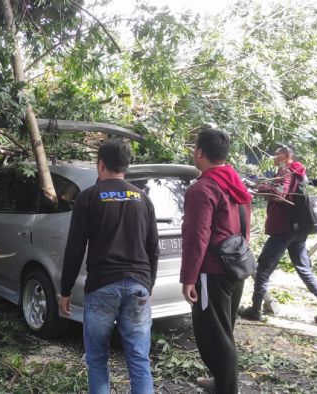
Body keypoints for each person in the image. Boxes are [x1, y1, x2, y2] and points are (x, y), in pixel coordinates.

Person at [59, 139, 159, 394]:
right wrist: (148, 285)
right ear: (126, 165)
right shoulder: (144, 199)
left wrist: (66, 290)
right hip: (138, 287)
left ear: (100, 164)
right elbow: (153, 249)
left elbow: (75, 247)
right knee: (138, 359)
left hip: (102, 286)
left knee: (97, 359)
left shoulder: (88, 198)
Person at [180, 128, 252, 394]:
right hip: (236, 266)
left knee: (214, 337)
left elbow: (197, 237)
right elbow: (245, 228)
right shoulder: (234, 182)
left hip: (212, 272)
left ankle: (227, 389)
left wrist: (189, 278)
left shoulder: (203, 188)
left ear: (200, 152)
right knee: (225, 330)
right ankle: (221, 381)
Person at [239, 146, 317, 323]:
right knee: (304, 268)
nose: (274, 156)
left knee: (263, 266)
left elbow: (279, 193)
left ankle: (255, 308)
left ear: (286, 156)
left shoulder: (287, 171)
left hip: (284, 229)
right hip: (299, 229)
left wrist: (259, 187)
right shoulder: (299, 172)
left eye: (277, 153)